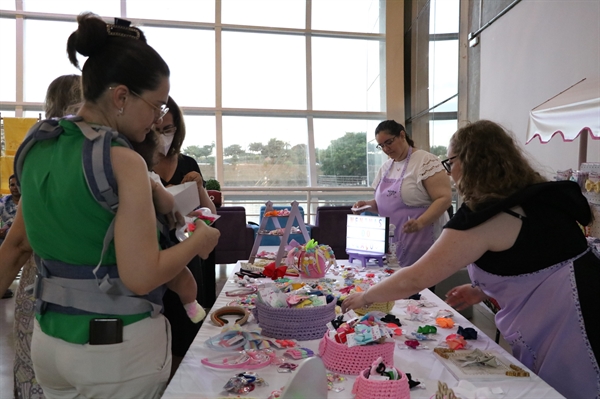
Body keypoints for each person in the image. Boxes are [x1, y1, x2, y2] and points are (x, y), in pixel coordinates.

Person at [0, 13, 219, 399]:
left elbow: (19, 244)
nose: (157, 120)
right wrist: (198, 242)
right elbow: (141, 274)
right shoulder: (123, 160)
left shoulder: (37, 145)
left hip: (49, 341)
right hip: (115, 346)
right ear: (121, 97)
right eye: (156, 105)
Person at [342, 120, 600, 399]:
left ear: (469, 161)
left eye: (450, 162)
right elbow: (532, 258)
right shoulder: (533, 196)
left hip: (571, 320)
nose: (449, 171)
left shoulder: (485, 213)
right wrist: (481, 290)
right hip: (583, 296)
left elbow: (416, 277)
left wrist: (365, 297)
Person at [9, 74, 82, 399]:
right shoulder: (99, 155)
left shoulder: (43, 155)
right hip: (85, 295)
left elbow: (18, 244)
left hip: (45, 290)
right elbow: (18, 243)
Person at [150, 96, 217, 379]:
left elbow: (209, 212)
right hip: (153, 251)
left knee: (186, 327)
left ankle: (183, 379)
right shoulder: (138, 163)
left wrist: (199, 188)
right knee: (157, 321)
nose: (164, 136)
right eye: (158, 129)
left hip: (186, 250)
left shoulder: (188, 162)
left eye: (169, 129)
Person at [353, 120, 452, 266]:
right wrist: (366, 205)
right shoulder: (386, 167)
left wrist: (420, 222)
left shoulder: (425, 161)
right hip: (395, 242)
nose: (386, 149)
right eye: (381, 146)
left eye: (389, 142)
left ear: (402, 135)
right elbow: (385, 204)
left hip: (423, 241)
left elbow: (444, 198)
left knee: (422, 285)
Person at [0, 174, 20, 245]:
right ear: (9, 187)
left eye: (18, 184)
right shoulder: (3, 202)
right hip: (6, 236)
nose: (15, 187)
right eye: (12, 185)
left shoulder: (30, 202)